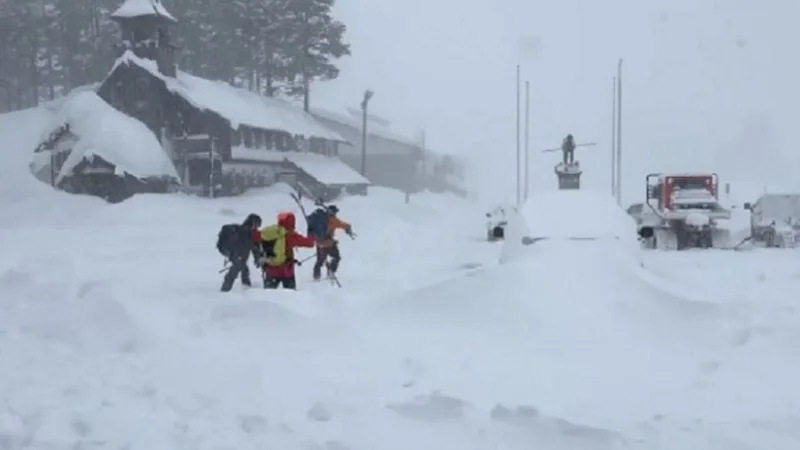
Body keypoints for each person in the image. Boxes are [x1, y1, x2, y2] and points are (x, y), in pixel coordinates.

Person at [259, 211, 316, 289]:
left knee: (268, 294)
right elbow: (310, 243)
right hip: (286, 271)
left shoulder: (271, 233)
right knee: (290, 295)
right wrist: (311, 231)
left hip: (270, 269)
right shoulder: (290, 235)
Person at [307, 204, 354, 281]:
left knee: (320, 261)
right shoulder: (333, 220)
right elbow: (343, 225)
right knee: (336, 257)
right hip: (328, 243)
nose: (335, 214)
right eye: (335, 212)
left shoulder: (320, 219)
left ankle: (316, 278)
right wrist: (348, 228)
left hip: (320, 242)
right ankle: (331, 272)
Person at [217, 213, 262, 292]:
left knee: (244, 269)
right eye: (257, 224)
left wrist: (257, 256)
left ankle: (246, 287)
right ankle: (225, 290)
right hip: (238, 255)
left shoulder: (244, 230)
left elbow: (252, 245)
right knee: (235, 271)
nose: (257, 227)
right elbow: (251, 244)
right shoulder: (245, 231)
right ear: (253, 222)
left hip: (236, 255)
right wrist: (257, 256)